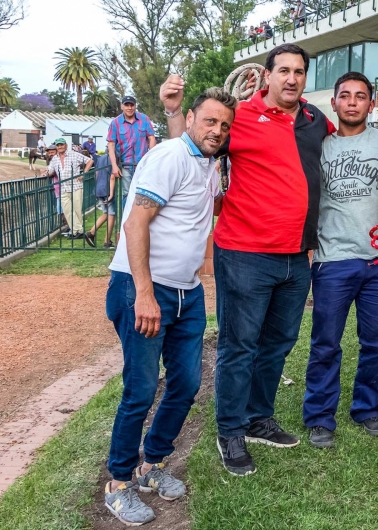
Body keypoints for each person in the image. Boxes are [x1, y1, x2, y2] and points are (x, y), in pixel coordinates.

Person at [160, 43, 336, 477]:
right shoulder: (241, 118)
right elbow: (192, 146)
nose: (292, 79)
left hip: (297, 255)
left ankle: (259, 417)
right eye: (284, 71)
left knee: (278, 343)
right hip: (245, 253)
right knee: (240, 347)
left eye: (299, 71)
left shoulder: (316, 122)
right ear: (268, 75)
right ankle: (231, 431)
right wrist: (173, 111)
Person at [103, 88, 236, 526]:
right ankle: (118, 483)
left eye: (224, 125)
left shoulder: (209, 164)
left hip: (186, 292)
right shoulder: (169, 157)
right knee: (141, 390)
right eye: (210, 121)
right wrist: (143, 292)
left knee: (186, 383)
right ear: (193, 118)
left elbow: (206, 209)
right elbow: (135, 221)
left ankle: (152, 465)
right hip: (145, 288)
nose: (217, 130)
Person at [304, 72, 378, 449]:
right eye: (345, 96)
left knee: (376, 343)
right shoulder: (319, 146)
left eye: (360, 96)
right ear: (335, 103)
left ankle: (367, 409)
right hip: (333, 259)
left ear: (371, 105)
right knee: (326, 343)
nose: (352, 102)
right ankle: (321, 417)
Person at [107, 95, 156, 210]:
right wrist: (114, 166)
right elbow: (111, 144)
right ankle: (126, 221)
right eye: (126, 105)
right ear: (122, 106)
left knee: (144, 193)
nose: (129, 108)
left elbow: (151, 138)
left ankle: (141, 222)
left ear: (135, 106)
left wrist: (151, 158)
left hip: (143, 164)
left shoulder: (144, 119)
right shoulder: (115, 123)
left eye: (131, 105)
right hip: (126, 165)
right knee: (126, 194)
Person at [40, 138, 93, 239]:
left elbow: (90, 161)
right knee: (67, 210)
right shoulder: (55, 159)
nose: (60, 147)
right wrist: (45, 174)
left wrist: (84, 173)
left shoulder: (74, 154)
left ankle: (77, 231)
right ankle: (77, 231)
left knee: (77, 209)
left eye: (61, 145)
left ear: (66, 145)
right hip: (63, 188)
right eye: (58, 145)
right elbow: (51, 171)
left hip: (76, 186)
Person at [84, 152, 116, 249]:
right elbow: (112, 177)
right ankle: (107, 242)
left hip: (99, 189)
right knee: (112, 215)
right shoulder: (114, 158)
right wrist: (111, 193)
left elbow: (97, 173)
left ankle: (91, 233)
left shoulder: (101, 158)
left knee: (105, 213)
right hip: (107, 189)